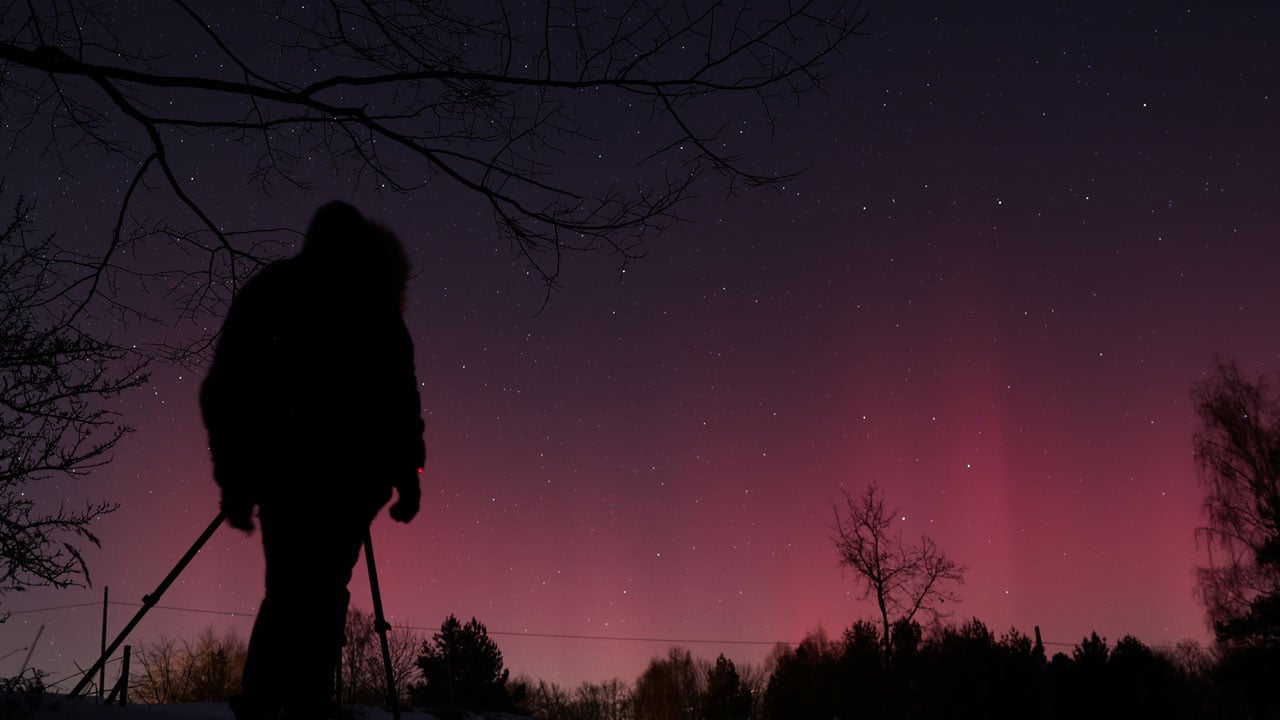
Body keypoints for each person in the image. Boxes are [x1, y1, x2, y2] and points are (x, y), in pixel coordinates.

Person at [200, 201, 426, 720]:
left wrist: (235, 480)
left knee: (292, 583)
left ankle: (269, 699)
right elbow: (398, 403)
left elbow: (224, 390)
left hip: (285, 472)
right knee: (319, 584)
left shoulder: (271, 291)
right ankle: (296, 700)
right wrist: (407, 478)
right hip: (347, 478)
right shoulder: (373, 301)